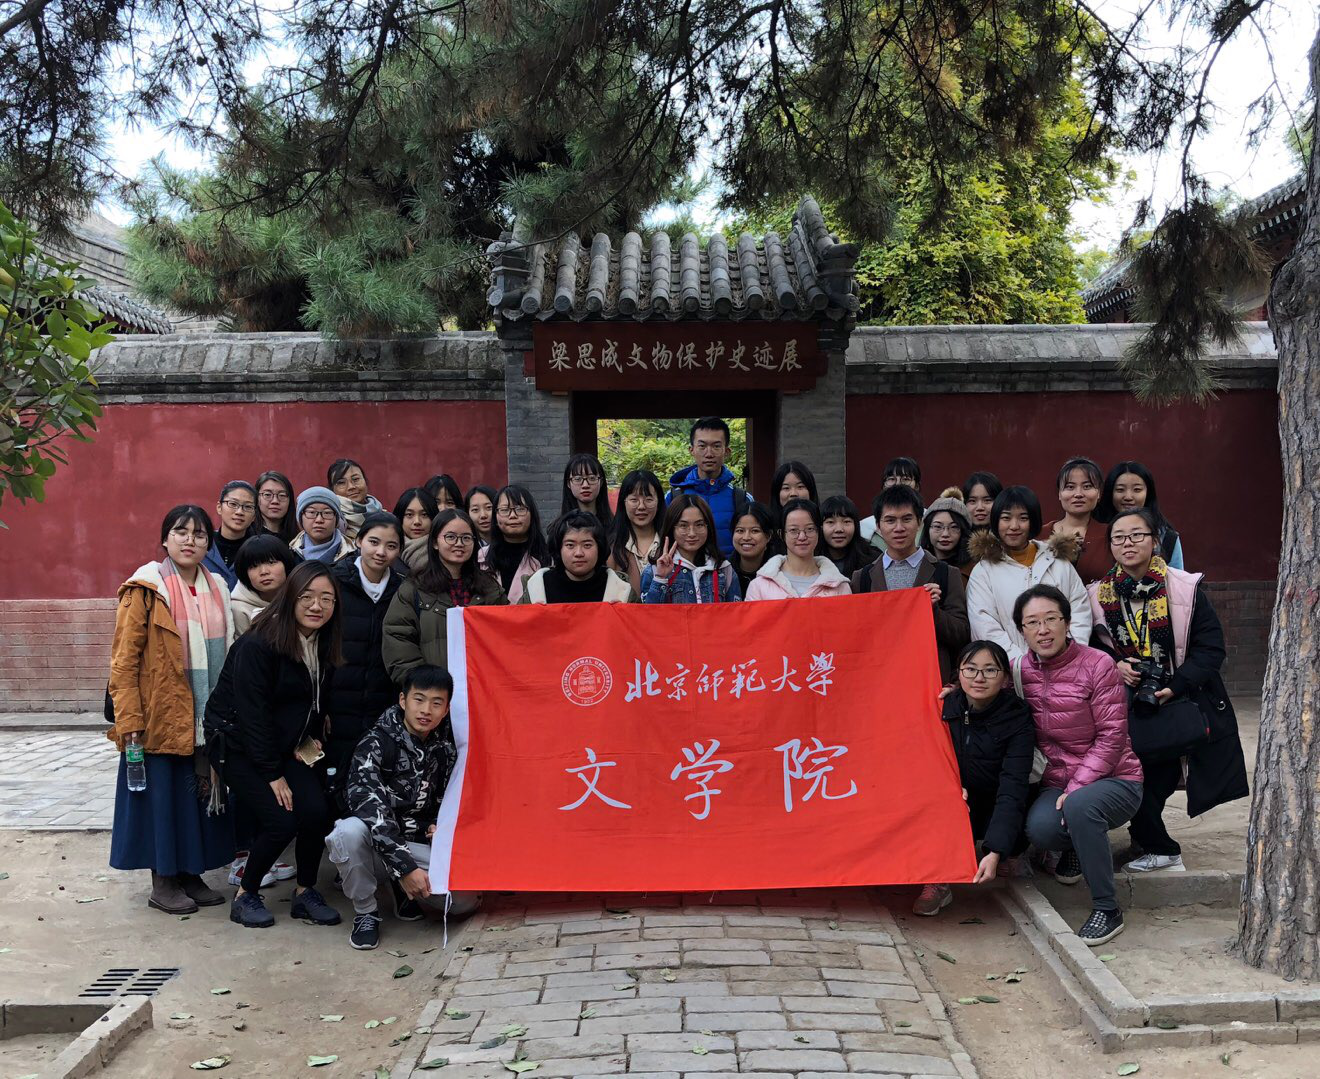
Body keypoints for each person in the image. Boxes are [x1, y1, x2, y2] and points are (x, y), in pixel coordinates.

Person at [1089, 509, 1248, 873]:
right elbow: (1087, 646)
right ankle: (1151, 842)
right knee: (1131, 773)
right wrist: (1115, 664)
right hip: (1123, 701)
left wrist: (1175, 685)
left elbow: (1211, 649)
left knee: (1155, 778)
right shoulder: (1097, 595)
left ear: (1155, 541)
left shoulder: (1184, 589)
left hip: (1175, 699)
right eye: (1118, 537)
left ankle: (1160, 848)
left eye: (1137, 535)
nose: (1127, 544)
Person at [108, 505, 236, 915]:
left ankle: (190, 874)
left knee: (194, 798)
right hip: (159, 714)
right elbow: (124, 661)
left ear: (208, 544)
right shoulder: (145, 589)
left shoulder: (218, 586)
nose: (190, 540)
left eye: (199, 534)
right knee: (162, 801)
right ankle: (162, 881)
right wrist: (129, 719)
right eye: (181, 532)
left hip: (205, 716)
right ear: (165, 539)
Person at [203, 561, 344, 930]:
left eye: (326, 599)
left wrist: (310, 736)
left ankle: (305, 893)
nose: (317, 606)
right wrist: (272, 774)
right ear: (290, 597)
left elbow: (309, 698)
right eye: (307, 597)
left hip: (282, 744)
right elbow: (253, 715)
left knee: (316, 811)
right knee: (281, 820)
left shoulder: (321, 641)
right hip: (236, 744)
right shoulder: (259, 644)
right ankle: (245, 895)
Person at [1016, 585, 1143, 946]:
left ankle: (1107, 908)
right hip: (1058, 780)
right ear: (1022, 630)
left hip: (1117, 778)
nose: (1043, 630)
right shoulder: (1020, 670)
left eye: (1051, 619)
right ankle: (1075, 847)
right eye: (1032, 622)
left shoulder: (1098, 664)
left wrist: (1076, 787)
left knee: (1080, 806)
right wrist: (956, 693)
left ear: (1068, 622)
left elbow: (1112, 735)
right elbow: (991, 696)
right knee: (1040, 830)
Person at [325, 666, 480, 950]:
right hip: (376, 842)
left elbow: (451, 801)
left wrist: (440, 826)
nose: (426, 710)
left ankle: (400, 888)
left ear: (446, 709)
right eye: (419, 699)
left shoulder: (446, 749)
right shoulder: (374, 743)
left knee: (463, 901)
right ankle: (366, 911)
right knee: (347, 832)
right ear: (402, 700)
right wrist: (405, 868)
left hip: (415, 839)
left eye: (436, 703)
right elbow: (373, 813)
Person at [914, 640, 1035, 916]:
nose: (979, 678)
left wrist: (996, 850)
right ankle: (938, 877)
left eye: (990, 670)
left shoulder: (1017, 717)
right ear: (958, 673)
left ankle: (1010, 854)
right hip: (957, 805)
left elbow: (1013, 785)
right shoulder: (944, 706)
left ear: (1005, 678)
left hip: (998, 802)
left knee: (1025, 809)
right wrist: (948, 787)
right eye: (970, 669)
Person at [325, 512, 405, 802]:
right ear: (358, 541)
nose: (381, 552)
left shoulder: (402, 590)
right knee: (333, 783)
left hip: (381, 702)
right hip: (336, 702)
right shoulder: (333, 581)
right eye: (374, 542)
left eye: (391, 546)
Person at [853, 486, 969, 683]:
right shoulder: (862, 578)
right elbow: (857, 639)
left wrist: (934, 611)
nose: (899, 528)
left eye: (907, 519)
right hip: (879, 681)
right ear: (878, 526)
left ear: (919, 522)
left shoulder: (946, 574)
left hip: (929, 681)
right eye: (890, 520)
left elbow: (962, 635)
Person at [967, 486, 1091, 662]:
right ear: (995, 521)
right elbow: (985, 625)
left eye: (1023, 518)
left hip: (1065, 665)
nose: (1014, 526)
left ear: (1033, 521)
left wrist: (1068, 654)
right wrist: (1021, 664)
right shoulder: (984, 571)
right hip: (1012, 669)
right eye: (1006, 518)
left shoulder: (1057, 560)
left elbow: (1079, 608)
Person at [383, 509, 509, 682]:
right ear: (435, 542)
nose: (459, 543)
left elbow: (508, 633)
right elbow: (397, 637)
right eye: (450, 537)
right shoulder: (414, 587)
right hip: (432, 691)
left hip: (483, 687)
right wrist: (424, 684)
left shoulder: (489, 588)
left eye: (466, 538)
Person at [667, 417, 750, 558]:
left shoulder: (741, 498)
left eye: (716, 446)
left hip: (728, 571)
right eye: (702, 446)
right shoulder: (673, 497)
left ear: (727, 451)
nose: (709, 454)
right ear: (692, 450)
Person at [642, 494, 742, 603]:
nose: (692, 533)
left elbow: (736, 612)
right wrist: (660, 579)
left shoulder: (724, 569)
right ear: (671, 528)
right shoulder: (654, 570)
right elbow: (647, 612)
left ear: (708, 527)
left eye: (699, 525)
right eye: (683, 526)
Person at [746, 499, 851, 600]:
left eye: (809, 529)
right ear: (781, 534)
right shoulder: (759, 586)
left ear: (819, 532)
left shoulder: (839, 585)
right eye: (793, 530)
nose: (802, 537)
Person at [521, 511, 636, 603]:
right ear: (559, 548)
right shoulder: (537, 588)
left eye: (587, 545)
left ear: (600, 548)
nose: (579, 553)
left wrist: (624, 615)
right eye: (570, 545)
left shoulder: (620, 590)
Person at [1098, 461, 1185, 569]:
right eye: (1120, 490)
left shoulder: (1166, 537)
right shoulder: (1095, 531)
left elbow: (1177, 576)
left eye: (1137, 490)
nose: (1128, 497)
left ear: (1148, 493)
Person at [1040, 456, 1111, 584]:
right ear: (1059, 493)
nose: (1078, 494)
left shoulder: (1111, 534)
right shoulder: (1039, 534)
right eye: (1070, 487)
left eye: (1087, 486)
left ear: (1099, 493)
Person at [480, 485, 551, 605]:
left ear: (532, 514)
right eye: (505, 510)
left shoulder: (547, 557)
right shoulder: (481, 557)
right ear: (495, 517)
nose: (512, 515)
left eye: (520, 509)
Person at [607, 469, 663, 597]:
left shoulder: (670, 543)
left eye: (649, 499)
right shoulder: (611, 548)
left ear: (658, 502)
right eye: (634, 500)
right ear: (624, 502)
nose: (641, 506)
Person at [231, 535, 302, 634]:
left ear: (286, 563)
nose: (264, 572)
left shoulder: (302, 597)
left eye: (271, 562)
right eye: (254, 566)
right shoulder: (238, 608)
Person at [203, 481, 260, 588]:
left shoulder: (259, 550)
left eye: (248, 507)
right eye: (233, 504)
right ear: (219, 507)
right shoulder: (202, 545)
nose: (239, 512)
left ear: (254, 516)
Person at [860, 456, 922, 544]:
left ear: (917, 486)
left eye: (905, 479)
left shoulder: (930, 520)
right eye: (892, 479)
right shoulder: (865, 527)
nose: (898, 484)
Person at [921, 487, 977, 585]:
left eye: (954, 527)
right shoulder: (917, 564)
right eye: (938, 527)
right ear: (927, 530)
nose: (945, 534)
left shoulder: (975, 569)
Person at [291, 486, 354, 564]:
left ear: (336, 519)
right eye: (311, 512)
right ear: (300, 517)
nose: (319, 520)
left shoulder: (353, 556)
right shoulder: (290, 555)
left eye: (327, 513)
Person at [328, 458, 383, 543]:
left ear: (365, 481)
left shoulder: (386, 518)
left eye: (356, 479)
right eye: (341, 482)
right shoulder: (332, 522)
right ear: (332, 490)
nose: (351, 487)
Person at [820, 495, 873, 581]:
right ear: (821, 526)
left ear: (856, 525)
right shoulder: (811, 561)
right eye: (830, 522)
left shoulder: (872, 560)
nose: (839, 529)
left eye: (846, 521)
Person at [730, 502, 775, 597]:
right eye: (740, 530)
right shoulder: (723, 573)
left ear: (769, 536)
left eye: (755, 531)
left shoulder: (781, 573)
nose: (746, 537)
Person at [392, 486, 439, 575]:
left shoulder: (445, 553)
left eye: (424, 515)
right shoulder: (388, 554)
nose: (417, 522)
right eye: (409, 515)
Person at [560, 452, 613, 528]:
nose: (585, 485)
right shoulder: (560, 528)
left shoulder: (614, 527)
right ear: (568, 483)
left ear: (601, 482)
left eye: (592, 478)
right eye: (578, 479)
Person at [769, 461, 820, 531]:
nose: (793, 493)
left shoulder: (824, 524)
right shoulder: (766, 528)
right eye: (786, 488)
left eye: (800, 487)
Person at [255, 470, 297, 543]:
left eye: (282, 495)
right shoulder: (246, 534)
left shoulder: (298, 541)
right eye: (267, 495)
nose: (275, 501)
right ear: (256, 498)